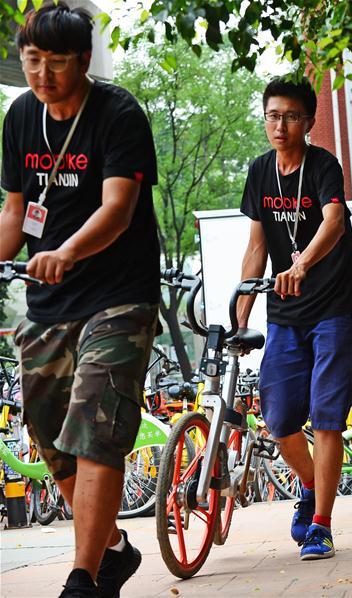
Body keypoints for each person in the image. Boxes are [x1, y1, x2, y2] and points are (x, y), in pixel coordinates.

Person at [0, 3, 159, 596]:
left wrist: (66, 252)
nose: (42, 75)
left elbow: (117, 210)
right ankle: (112, 548)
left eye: (56, 62)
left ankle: (82, 578)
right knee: (50, 436)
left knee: (96, 424)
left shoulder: (117, 114)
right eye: (32, 61)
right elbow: (15, 212)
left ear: (83, 60)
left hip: (119, 294)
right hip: (48, 303)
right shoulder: (20, 118)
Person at [235, 76, 352, 560]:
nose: (280, 125)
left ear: (308, 121)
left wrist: (303, 264)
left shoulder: (324, 165)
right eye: (272, 115)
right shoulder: (259, 172)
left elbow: (334, 220)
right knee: (280, 418)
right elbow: (256, 247)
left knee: (327, 418)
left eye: (290, 116)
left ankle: (322, 526)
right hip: (284, 315)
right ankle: (310, 488)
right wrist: (239, 319)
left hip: (333, 308)